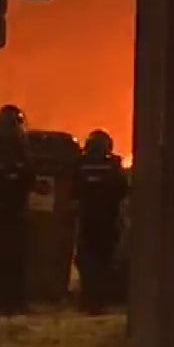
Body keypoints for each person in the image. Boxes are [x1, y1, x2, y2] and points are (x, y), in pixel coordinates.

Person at [0, 104, 35, 315]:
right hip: (8, 212)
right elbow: (29, 176)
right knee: (11, 261)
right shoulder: (14, 146)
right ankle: (10, 303)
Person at [73, 129, 129, 314]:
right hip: (107, 221)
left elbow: (73, 191)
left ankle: (87, 299)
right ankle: (98, 302)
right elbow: (123, 190)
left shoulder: (80, 165)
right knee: (104, 261)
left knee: (87, 261)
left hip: (86, 220)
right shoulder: (113, 166)